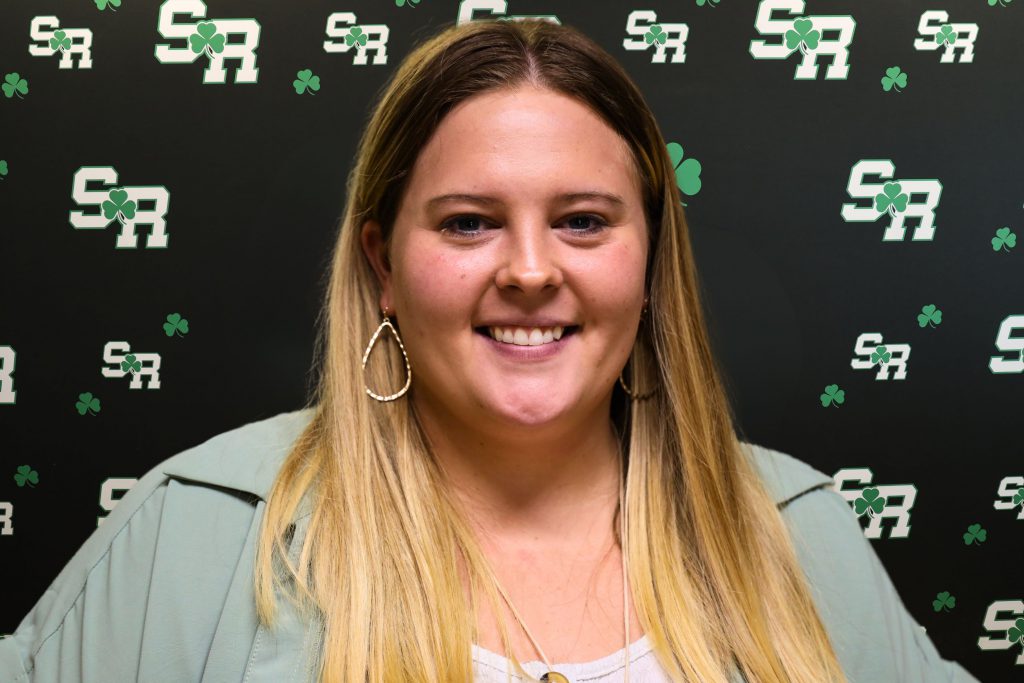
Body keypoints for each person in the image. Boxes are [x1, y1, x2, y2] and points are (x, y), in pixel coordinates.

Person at [0, 18, 979, 683]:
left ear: (648, 261)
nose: (528, 269)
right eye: (468, 222)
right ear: (384, 262)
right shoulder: (202, 530)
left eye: (584, 221)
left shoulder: (794, 528)